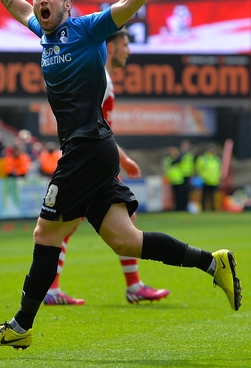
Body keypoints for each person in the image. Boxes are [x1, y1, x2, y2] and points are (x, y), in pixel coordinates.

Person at [0, 0, 241, 350]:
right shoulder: (45, 35)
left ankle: (20, 326)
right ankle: (211, 261)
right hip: (94, 149)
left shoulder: (86, 29)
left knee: (46, 233)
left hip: (85, 149)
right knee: (126, 241)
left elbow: (128, 3)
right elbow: (17, 7)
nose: (41, 1)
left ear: (67, 5)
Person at [45, 29, 170, 306]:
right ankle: (132, 286)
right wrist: (120, 158)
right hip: (89, 161)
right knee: (68, 225)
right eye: (126, 44)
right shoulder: (100, 79)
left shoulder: (101, 77)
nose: (129, 50)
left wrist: (120, 158)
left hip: (91, 159)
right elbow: (95, 126)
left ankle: (55, 289)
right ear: (110, 47)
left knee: (68, 224)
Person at [196, 144, 222, 212]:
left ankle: (213, 208)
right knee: (205, 195)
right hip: (205, 180)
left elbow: (218, 169)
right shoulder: (203, 159)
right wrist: (202, 177)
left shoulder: (216, 159)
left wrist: (219, 177)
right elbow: (198, 168)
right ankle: (204, 208)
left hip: (214, 180)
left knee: (213, 195)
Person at [163, 146, 187, 211]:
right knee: (175, 195)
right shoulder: (169, 159)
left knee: (181, 195)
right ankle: (177, 207)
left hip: (180, 179)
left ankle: (181, 207)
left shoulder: (177, 159)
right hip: (173, 180)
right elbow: (169, 166)